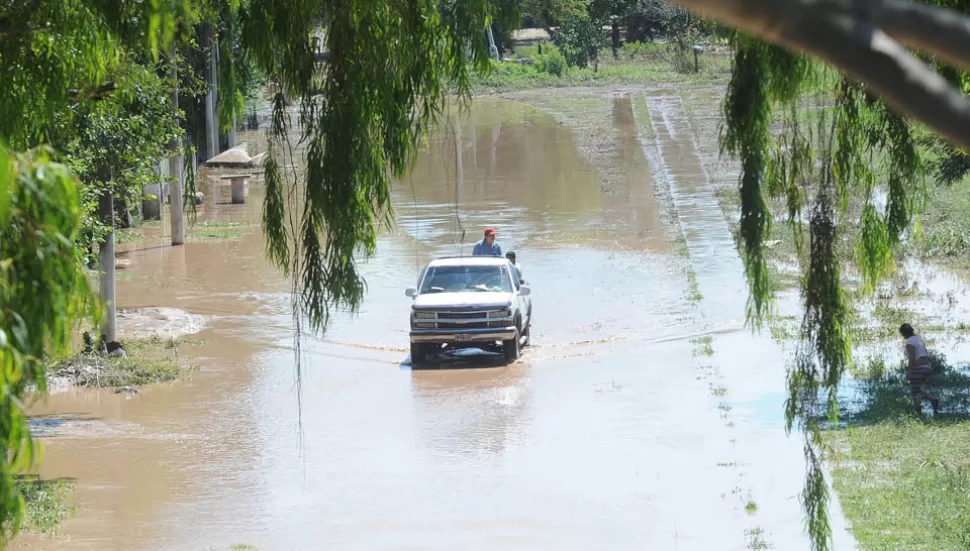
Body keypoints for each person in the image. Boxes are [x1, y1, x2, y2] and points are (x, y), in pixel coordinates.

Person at [900, 323, 940, 414]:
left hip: (918, 368)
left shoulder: (910, 342)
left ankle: (918, 410)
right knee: (918, 389)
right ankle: (932, 401)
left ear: (903, 333)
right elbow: (925, 352)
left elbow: (912, 359)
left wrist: (909, 371)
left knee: (915, 391)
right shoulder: (918, 339)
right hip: (926, 366)